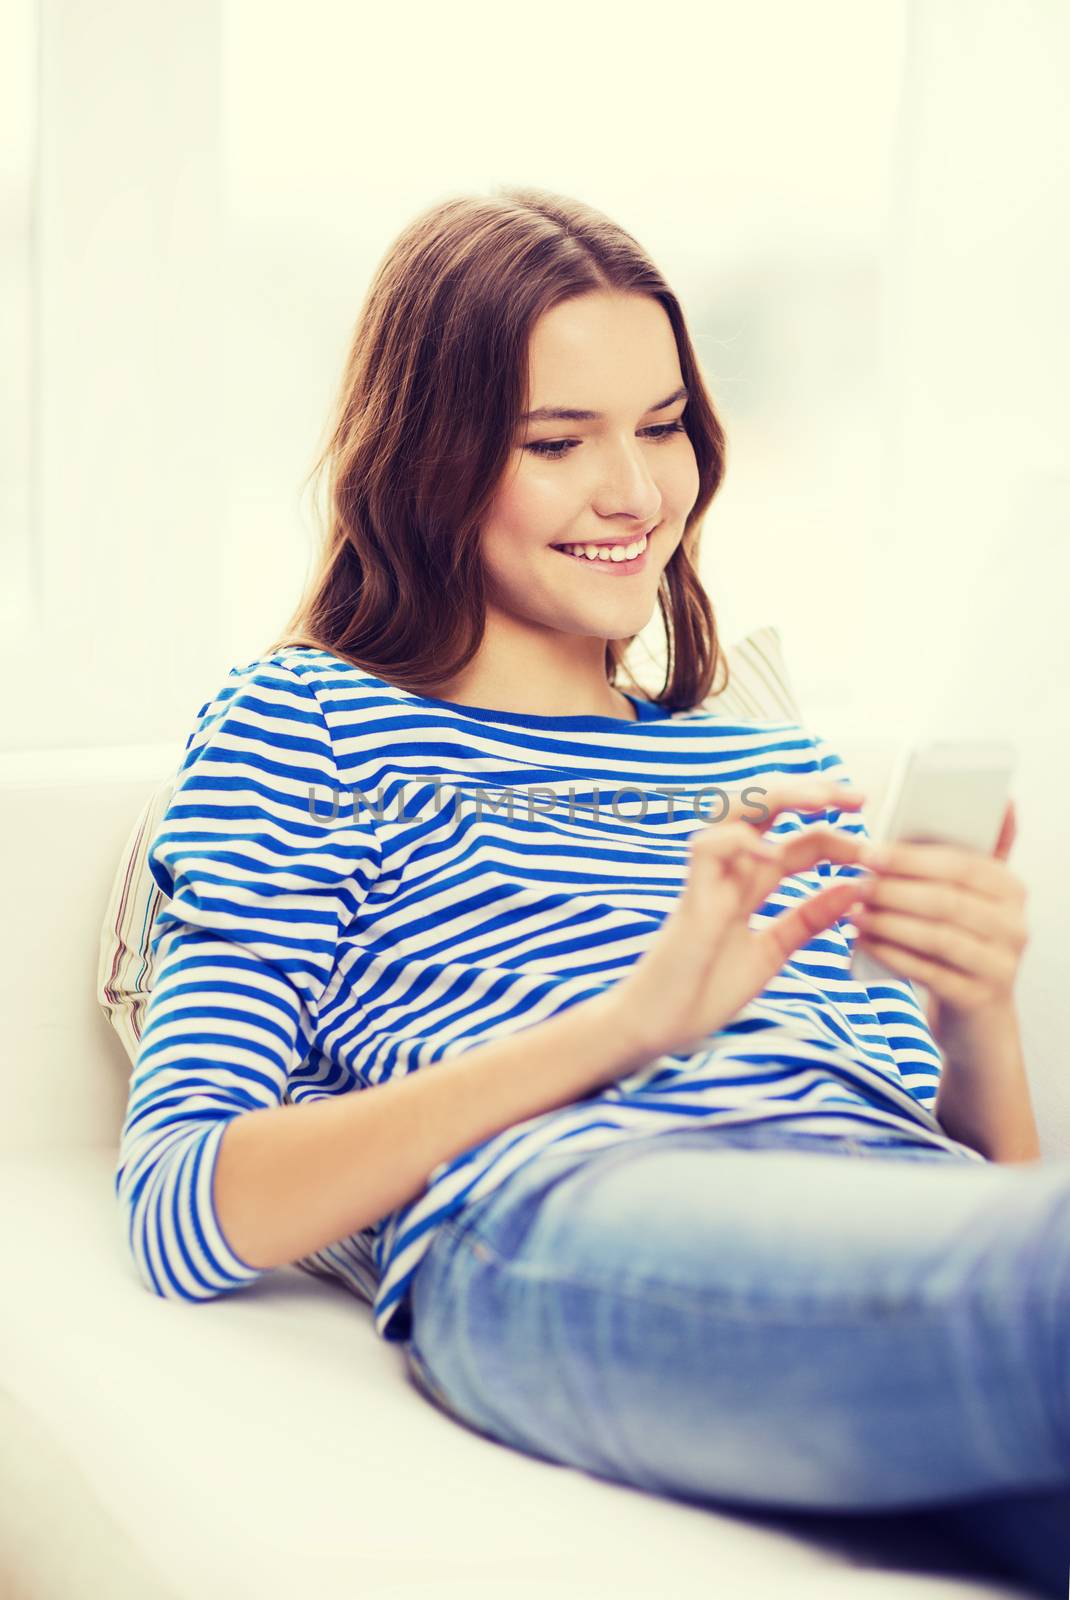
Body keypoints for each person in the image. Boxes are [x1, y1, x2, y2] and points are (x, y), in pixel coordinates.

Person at [115, 187, 1067, 1595]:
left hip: (878, 1221)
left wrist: (973, 1013)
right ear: (429, 460)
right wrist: (627, 1023)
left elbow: (967, 1212)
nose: (634, 493)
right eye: (557, 442)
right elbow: (183, 1206)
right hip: (569, 1218)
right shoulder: (305, 721)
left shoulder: (772, 759)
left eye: (662, 424)